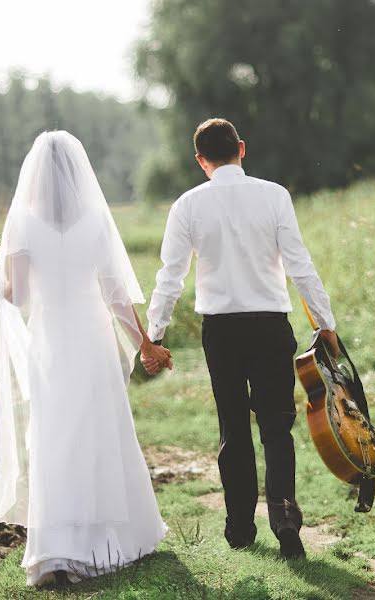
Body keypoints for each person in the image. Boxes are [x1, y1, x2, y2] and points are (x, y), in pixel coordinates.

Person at [0, 131, 172, 586]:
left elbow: (19, 296)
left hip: (52, 341)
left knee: (54, 436)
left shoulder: (23, 223)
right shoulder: (97, 222)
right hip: (94, 339)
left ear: (36, 175)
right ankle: (116, 540)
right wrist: (144, 341)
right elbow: (117, 295)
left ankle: (58, 550)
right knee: (103, 432)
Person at [144, 118, 338, 560]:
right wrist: (324, 322)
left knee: (233, 426)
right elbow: (299, 265)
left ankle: (239, 528)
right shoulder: (275, 196)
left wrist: (153, 336)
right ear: (242, 149)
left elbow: (170, 277)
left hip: (222, 331)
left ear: (200, 161)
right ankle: (286, 521)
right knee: (276, 425)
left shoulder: (187, 205)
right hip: (271, 325)